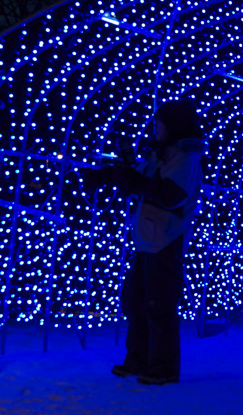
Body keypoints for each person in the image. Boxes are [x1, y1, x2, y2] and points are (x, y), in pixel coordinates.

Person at [82, 99, 205, 385]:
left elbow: (170, 195)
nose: (155, 127)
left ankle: (163, 368)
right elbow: (140, 179)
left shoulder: (185, 157)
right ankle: (137, 359)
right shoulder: (160, 154)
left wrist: (130, 182)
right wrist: (111, 174)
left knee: (158, 305)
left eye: (160, 122)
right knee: (135, 302)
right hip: (147, 238)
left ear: (173, 126)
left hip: (166, 239)